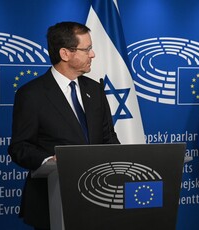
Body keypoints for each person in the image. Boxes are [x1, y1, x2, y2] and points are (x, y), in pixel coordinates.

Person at [8, 21, 120, 230]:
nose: (92, 54)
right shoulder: (31, 94)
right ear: (65, 54)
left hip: (99, 199)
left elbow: (108, 138)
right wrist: (50, 161)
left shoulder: (95, 90)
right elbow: (20, 147)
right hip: (52, 201)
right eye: (86, 49)